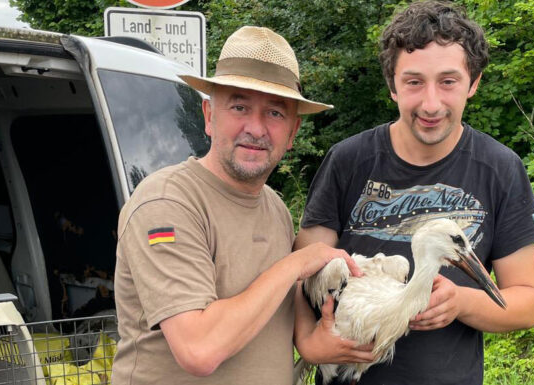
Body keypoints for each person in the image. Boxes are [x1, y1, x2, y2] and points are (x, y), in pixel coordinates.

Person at [293, 2, 534, 384]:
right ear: (392, 85)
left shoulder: (500, 168)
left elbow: (528, 304)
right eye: (414, 82)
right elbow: (299, 274)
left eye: (448, 81)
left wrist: (462, 302)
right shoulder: (348, 160)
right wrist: (307, 343)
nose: (431, 104)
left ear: (473, 82)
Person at [112, 26, 360, 385]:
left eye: (275, 113)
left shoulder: (274, 208)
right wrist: (296, 263)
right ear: (209, 116)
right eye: (239, 106)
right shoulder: (167, 202)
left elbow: (278, 323)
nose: (256, 128)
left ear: (293, 132)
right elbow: (199, 349)